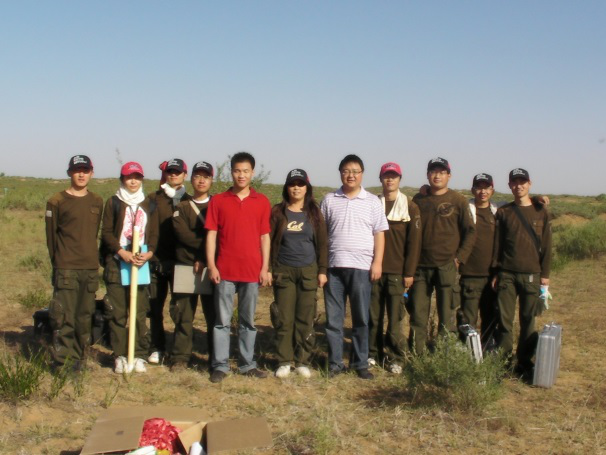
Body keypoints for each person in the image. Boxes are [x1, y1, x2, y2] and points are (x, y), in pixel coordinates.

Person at [320, 154, 389, 380]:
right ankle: (335, 363)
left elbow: (379, 234)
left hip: (362, 267)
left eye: (355, 171)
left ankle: (360, 363)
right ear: (341, 173)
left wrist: (377, 262)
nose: (351, 175)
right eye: (346, 171)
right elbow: (322, 235)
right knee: (334, 320)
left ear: (362, 174)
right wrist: (322, 267)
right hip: (334, 267)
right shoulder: (329, 200)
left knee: (361, 319)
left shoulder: (372, 201)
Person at [205, 152, 271, 383]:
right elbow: (212, 235)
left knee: (248, 322)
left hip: (251, 271)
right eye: (237, 171)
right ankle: (220, 365)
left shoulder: (262, 201)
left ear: (252, 173)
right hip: (225, 271)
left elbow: (264, 237)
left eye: (245, 171)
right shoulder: (218, 201)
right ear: (231, 172)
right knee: (222, 322)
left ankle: (247, 364)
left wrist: (265, 268)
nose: (241, 175)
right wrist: (212, 265)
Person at [409, 157, 476, 353]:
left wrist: (459, 258)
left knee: (447, 316)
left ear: (449, 175)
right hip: (421, 266)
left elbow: (470, 231)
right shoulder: (418, 199)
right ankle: (417, 354)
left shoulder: (458, 200)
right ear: (427, 175)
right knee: (418, 314)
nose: (437, 176)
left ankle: (444, 355)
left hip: (447, 265)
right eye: (433, 171)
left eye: (441, 172)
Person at [491, 168, 552, 378]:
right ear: (509, 185)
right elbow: (498, 245)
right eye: (515, 182)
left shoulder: (540, 211)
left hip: (532, 275)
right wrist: (497, 272)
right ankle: (505, 363)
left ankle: (524, 363)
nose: (519, 186)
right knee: (505, 321)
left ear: (529, 184)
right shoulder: (504, 212)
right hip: (507, 275)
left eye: (522, 182)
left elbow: (547, 245)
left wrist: (545, 276)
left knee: (528, 321)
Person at [45, 155, 104, 371]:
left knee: (84, 317)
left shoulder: (97, 201)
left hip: (89, 269)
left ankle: (79, 359)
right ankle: (62, 362)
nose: (81, 174)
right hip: (66, 268)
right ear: (69, 172)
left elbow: (93, 232)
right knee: (64, 317)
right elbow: (51, 238)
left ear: (91, 173)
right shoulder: (56, 201)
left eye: (85, 170)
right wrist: (59, 263)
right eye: (77, 170)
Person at [270, 169, 328, 379]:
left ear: (307, 188)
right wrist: (268, 269)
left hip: (308, 271)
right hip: (283, 271)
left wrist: (322, 270)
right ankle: (284, 361)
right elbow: (269, 242)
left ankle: (302, 361)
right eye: (292, 184)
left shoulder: (314, 213)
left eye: (300, 184)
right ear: (286, 187)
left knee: (305, 318)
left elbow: (322, 244)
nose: (296, 188)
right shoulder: (278, 212)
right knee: (284, 318)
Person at [101, 162, 158, 374]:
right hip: (118, 262)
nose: (133, 181)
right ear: (122, 179)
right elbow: (106, 232)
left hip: (140, 263)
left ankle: (139, 354)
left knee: (139, 312)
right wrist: (121, 252)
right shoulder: (114, 202)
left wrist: (149, 253)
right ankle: (120, 355)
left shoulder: (149, 203)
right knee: (117, 312)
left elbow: (154, 234)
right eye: (128, 177)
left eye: (137, 177)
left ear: (142, 179)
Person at [368, 162, 422, 374]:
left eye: (394, 176)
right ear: (381, 179)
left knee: (396, 319)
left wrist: (409, 272)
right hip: (374, 270)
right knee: (373, 316)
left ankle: (396, 357)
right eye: (386, 176)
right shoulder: (373, 203)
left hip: (397, 273)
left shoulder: (410, 206)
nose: (389, 180)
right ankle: (372, 353)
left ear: (400, 179)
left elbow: (414, 243)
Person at [169, 161, 216, 371]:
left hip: (211, 267)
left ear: (211, 180)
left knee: (214, 316)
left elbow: (221, 236)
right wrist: (203, 253)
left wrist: (205, 259)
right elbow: (183, 235)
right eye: (197, 176)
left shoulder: (218, 206)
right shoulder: (181, 207)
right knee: (183, 315)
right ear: (191, 179)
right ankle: (180, 357)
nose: (201, 180)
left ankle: (215, 357)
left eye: (206, 176)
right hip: (185, 266)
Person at [147, 158, 191, 364]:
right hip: (156, 261)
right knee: (154, 308)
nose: (173, 175)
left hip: (182, 264)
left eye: (177, 172)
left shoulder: (190, 200)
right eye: (170, 172)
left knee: (181, 310)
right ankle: (157, 346)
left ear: (184, 175)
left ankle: (179, 351)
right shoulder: (153, 199)